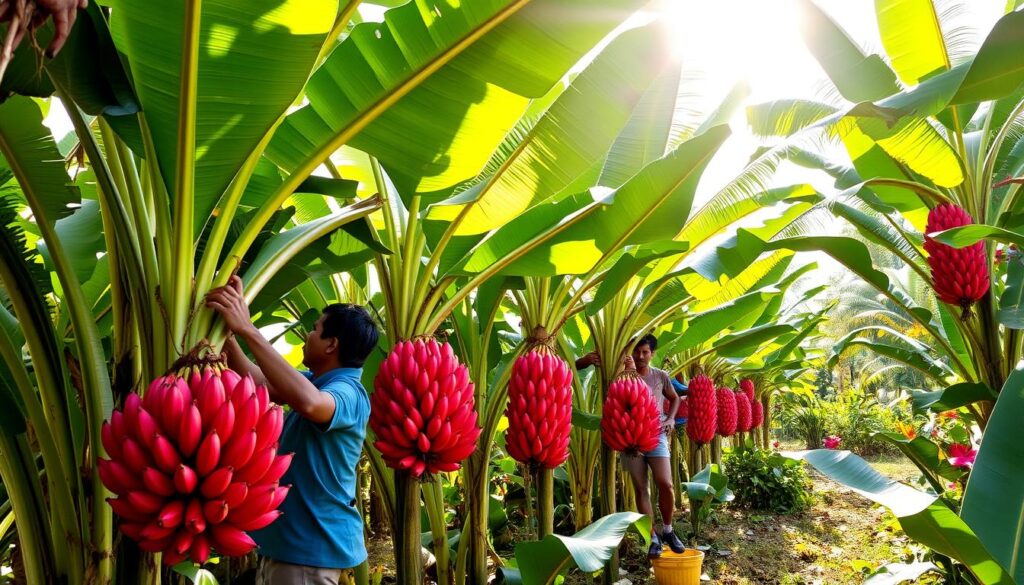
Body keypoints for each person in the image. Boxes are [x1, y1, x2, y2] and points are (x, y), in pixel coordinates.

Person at [206, 275, 379, 585]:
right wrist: (227, 331)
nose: (307, 336)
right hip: (289, 550)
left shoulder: (349, 392)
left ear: (332, 345)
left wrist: (248, 329)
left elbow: (311, 404)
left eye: (315, 330)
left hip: (308, 553)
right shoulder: (316, 381)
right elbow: (259, 380)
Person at [576, 337, 684, 558]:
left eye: (645, 352)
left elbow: (675, 398)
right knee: (641, 488)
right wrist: (586, 360)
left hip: (655, 434)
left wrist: (671, 418)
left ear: (652, 353)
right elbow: (573, 367)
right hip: (627, 435)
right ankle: (653, 536)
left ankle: (668, 529)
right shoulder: (616, 371)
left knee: (666, 484)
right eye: (637, 351)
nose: (641, 356)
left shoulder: (660, 376)